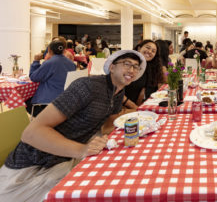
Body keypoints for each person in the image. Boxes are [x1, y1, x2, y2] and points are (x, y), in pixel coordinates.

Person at [0, 50, 146, 201]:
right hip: (37, 164)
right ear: (112, 67)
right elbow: (31, 133)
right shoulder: (87, 87)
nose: (132, 70)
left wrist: (139, 121)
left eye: (136, 67)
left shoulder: (117, 93)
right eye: (127, 64)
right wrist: (83, 150)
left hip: (69, 155)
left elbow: (107, 127)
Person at [26, 40, 76, 117]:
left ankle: (46, 119)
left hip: (50, 97)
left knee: (26, 101)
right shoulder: (71, 64)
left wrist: (36, 61)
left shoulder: (50, 62)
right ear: (63, 50)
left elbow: (33, 77)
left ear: (49, 50)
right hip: (65, 96)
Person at [124, 40, 164, 111]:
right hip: (125, 108)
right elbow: (116, 92)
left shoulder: (151, 68)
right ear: (139, 48)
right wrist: (134, 107)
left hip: (143, 106)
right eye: (148, 48)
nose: (149, 52)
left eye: (153, 51)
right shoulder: (128, 65)